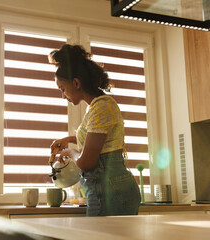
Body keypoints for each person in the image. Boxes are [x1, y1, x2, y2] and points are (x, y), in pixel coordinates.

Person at [48, 44, 141, 216]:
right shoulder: (98, 106)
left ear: (76, 83)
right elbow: (98, 141)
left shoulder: (101, 107)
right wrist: (68, 139)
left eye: (62, 89)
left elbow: (86, 162)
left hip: (110, 191)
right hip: (111, 189)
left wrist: (70, 152)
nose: (63, 95)